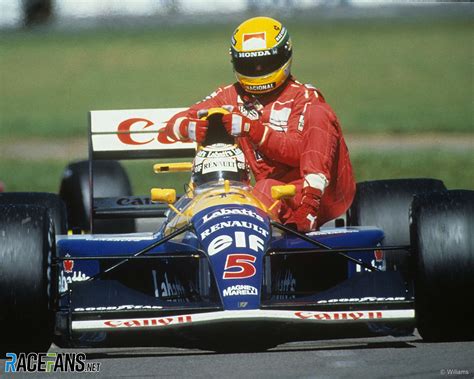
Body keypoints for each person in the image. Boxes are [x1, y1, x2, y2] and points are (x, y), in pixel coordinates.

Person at [164, 16, 355, 232]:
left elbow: (297, 152)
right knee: (260, 193)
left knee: (319, 113)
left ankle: (309, 210)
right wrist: (189, 128)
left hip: (324, 194)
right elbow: (171, 124)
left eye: (265, 63)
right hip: (275, 193)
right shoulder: (229, 96)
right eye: (249, 64)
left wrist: (252, 129)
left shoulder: (304, 97)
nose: (257, 69)